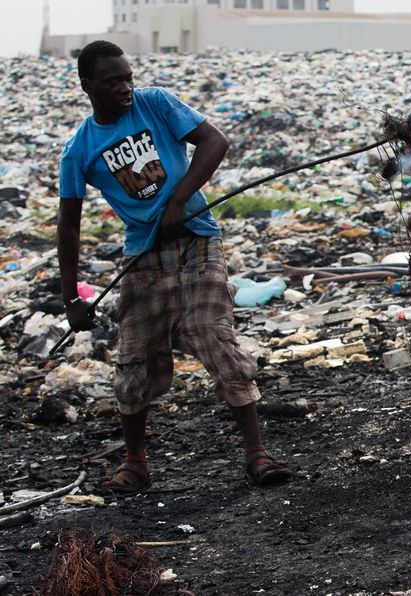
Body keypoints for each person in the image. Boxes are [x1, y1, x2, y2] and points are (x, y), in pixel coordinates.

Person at [57, 40, 291, 491]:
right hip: (143, 255)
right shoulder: (79, 149)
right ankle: (135, 463)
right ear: (88, 86)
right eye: (113, 81)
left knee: (214, 336)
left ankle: (257, 454)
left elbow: (215, 141)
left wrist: (179, 201)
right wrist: (71, 300)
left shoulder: (156, 103)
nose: (125, 87)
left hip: (197, 240)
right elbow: (68, 224)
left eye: (128, 77)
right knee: (134, 358)